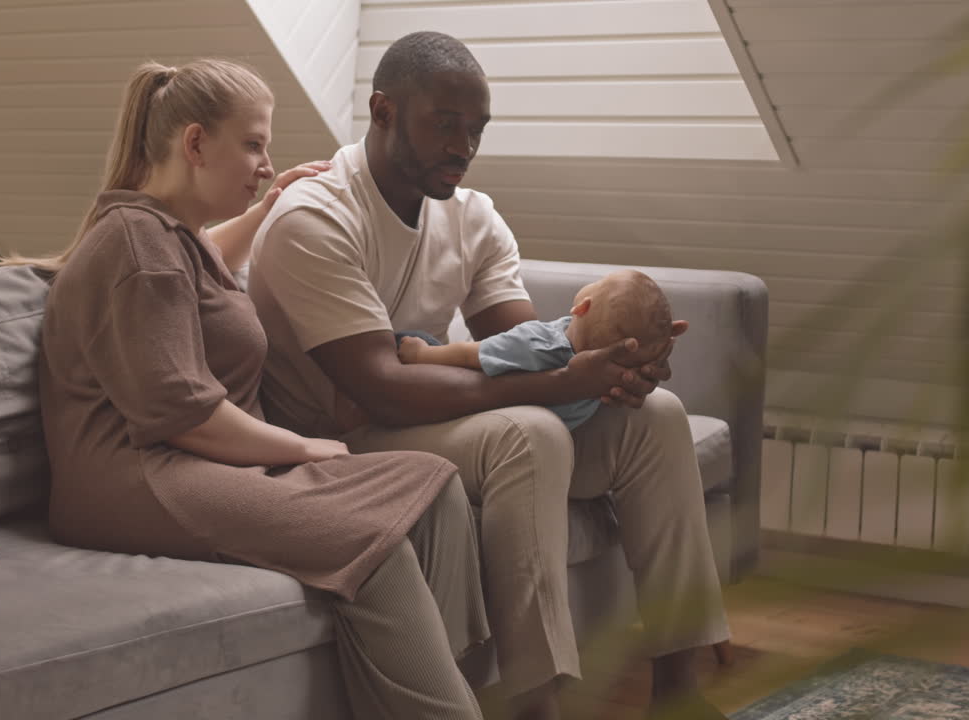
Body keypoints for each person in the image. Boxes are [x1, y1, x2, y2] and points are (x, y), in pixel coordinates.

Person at [248, 32, 731, 720]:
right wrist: (564, 384)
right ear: (383, 111)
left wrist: (621, 360)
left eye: (476, 128)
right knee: (527, 433)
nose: (464, 144)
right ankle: (536, 705)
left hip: (435, 423)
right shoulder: (316, 218)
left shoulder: (472, 217)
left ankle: (680, 694)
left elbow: (526, 346)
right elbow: (379, 387)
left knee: (656, 416)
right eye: (445, 122)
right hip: (336, 448)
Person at [3, 59, 491, 720]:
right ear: (196, 144)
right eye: (254, 143)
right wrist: (307, 449)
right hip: (141, 477)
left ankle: (459, 687)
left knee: (435, 484)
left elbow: (200, 281)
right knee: (369, 542)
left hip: (189, 463)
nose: (267, 161)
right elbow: (188, 418)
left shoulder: (172, 236)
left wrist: (265, 208)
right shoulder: (140, 249)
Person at [397, 269, 674, 431]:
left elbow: (473, 354)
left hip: (467, 411)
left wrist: (423, 355)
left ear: (582, 307)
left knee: (418, 340)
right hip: (528, 421)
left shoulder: (538, 341)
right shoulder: (608, 378)